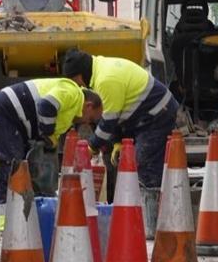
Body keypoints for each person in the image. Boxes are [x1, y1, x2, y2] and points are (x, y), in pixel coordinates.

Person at [60, 50, 179, 190]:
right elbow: (110, 113)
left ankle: (150, 204)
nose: (78, 86)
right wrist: (117, 142)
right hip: (145, 115)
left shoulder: (106, 80)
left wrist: (91, 147)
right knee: (138, 163)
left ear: (79, 75)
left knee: (146, 165)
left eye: (74, 82)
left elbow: (108, 121)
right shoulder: (99, 70)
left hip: (157, 113)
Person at [0, 78, 103, 196]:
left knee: (20, 171)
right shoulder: (72, 92)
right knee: (11, 171)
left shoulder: (69, 114)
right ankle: (6, 214)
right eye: (91, 119)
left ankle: (19, 213)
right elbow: (46, 105)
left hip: (12, 120)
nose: (87, 123)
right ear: (89, 106)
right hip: (3, 113)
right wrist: (48, 134)